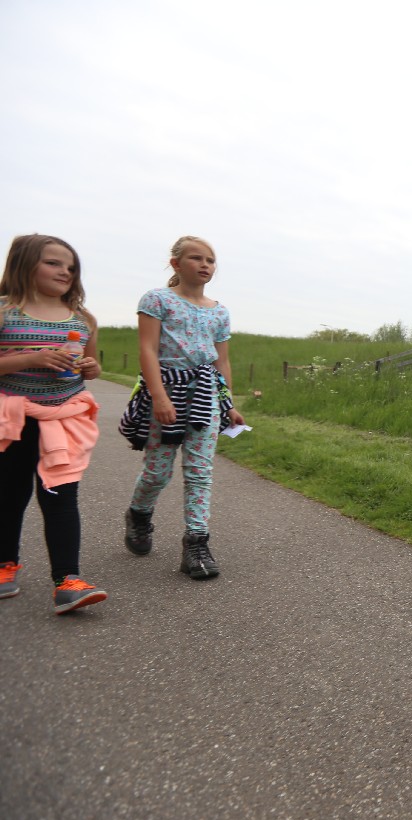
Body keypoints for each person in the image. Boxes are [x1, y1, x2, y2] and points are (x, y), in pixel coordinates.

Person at [119, 236, 244, 579]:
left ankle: (196, 545)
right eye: (196, 258)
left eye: (210, 260)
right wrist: (159, 396)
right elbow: (147, 349)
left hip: (205, 396)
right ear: (175, 263)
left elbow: (221, 362)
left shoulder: (219, 311)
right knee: (157, 473)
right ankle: (139, 514)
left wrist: (228, 404)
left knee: (200, 472)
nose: (205, 265)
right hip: (166, 392)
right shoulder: (157, 300)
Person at [0, 234, 108, 614]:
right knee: (9, 495)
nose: (65, 271)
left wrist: (91, 368)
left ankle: (68, 581)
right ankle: (5, 566)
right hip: (14, 420)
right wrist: (32, 358)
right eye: (53, 263)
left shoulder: (82, 319)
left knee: (61, 497)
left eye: (71, 266)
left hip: (63, 420)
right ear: (24, 263)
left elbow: (91, 367)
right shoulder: (5, 312)